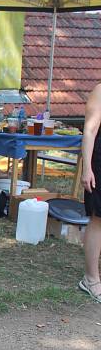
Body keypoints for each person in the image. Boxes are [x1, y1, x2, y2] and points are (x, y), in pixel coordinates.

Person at [80, 83, 101, 303]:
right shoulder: (100, 91)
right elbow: (89, 130)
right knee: (98, 220)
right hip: (100, 163)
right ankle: (90, 278)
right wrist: (87, 168)